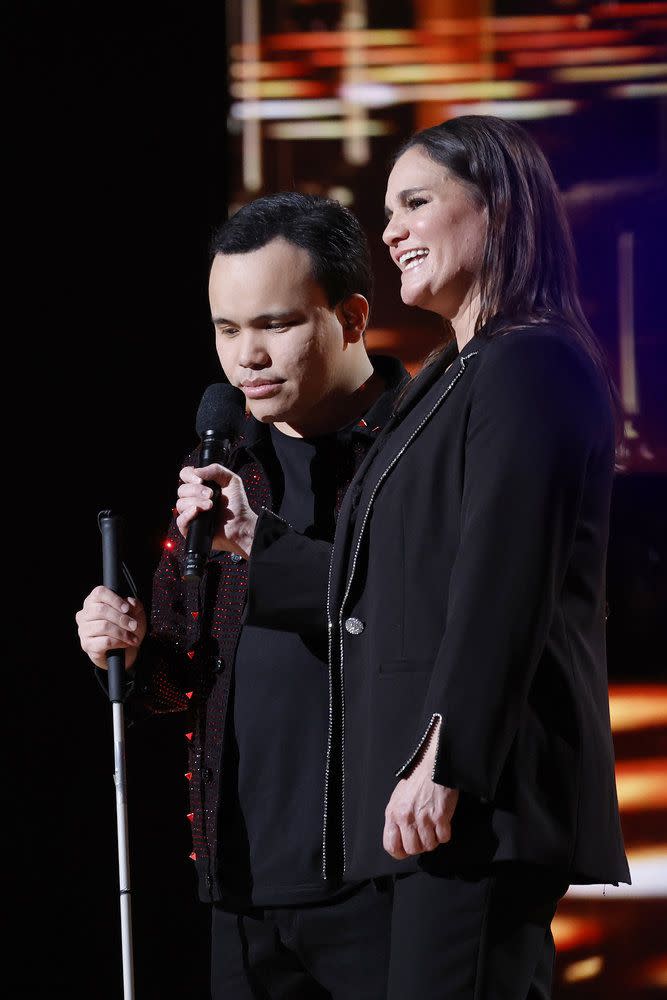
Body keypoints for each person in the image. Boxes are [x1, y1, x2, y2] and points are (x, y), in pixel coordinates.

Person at [234, 117, 632, 998]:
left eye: (416, 202)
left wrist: (444, 758)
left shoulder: (528, 365)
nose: (390, 232)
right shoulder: (452, 377)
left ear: (497, 208)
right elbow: (390, 581)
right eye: (387, 211)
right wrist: (249, 552)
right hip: (437, 805)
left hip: (476, 799)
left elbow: (504, 580)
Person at [75, 192, 410, 1000]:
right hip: (243, 887)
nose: (246, 357)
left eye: (274, 324)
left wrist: (272, 549)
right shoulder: (224, 462)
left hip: (388, 882)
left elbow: (421, 624)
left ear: (352, 317)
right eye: (227, 330)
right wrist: (123, 649)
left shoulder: (416, 449)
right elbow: (175, 684)